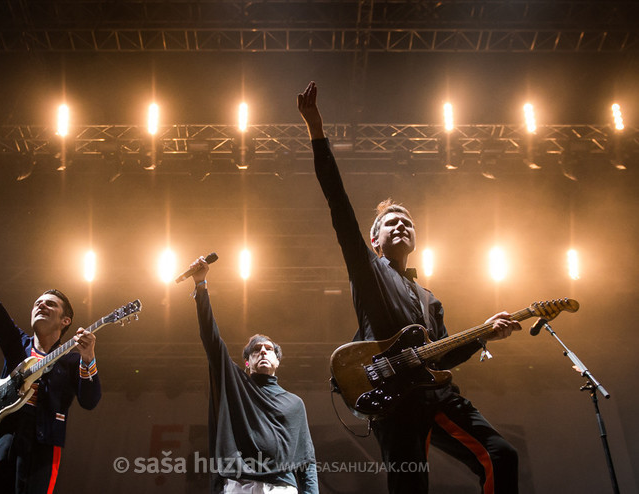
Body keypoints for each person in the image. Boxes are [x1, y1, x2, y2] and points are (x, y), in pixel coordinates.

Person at [297, 81, 521, 493]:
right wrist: (316, 132)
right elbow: (339, 205)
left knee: (502, 454)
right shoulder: (369, 272)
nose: (401, 225)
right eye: (391, 222)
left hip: (436, 395)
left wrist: (486, 333)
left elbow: (445, 353)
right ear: (374, 239)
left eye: (408, 223)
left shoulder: (429, 299)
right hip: (393, 400)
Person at [0, 211, 101, 494]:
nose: (41, 306)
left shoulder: (72, 359)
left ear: (66, 321)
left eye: (51, 304)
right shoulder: (17, 346)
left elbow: (90, 400)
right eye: (38, 302)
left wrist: (88, 359)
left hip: (41, 446)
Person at [188, 256, 319, 494]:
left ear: (278, 361)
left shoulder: (294, 404)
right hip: (242, 485)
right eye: (256, 350)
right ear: (247, 363)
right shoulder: (239, 387)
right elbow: (212, 341)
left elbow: (306, 462)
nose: (263, 352)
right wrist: (200, 285)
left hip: (282, 487)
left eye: (269, 349)